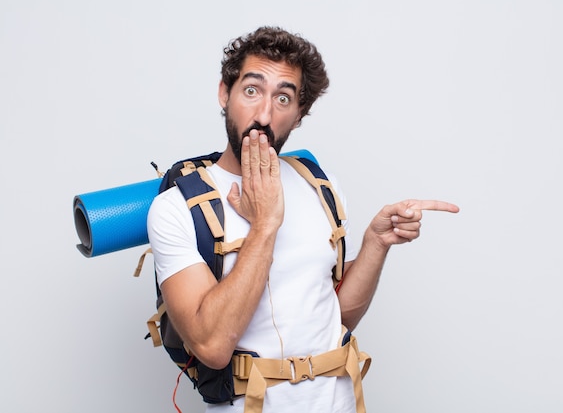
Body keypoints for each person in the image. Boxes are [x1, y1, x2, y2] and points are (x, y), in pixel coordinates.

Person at [147, 25, 459, 413]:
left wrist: (375, 244)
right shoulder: (176, 208)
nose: (264, 114)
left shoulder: (317, 186)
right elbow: (211, 346)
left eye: (283, 98)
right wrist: (264, 225)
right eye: (251, 90)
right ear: (224, 94)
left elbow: (334, 317)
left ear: (298, 115)